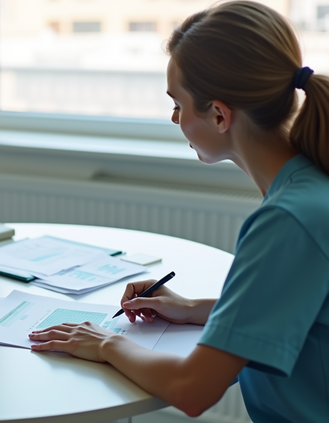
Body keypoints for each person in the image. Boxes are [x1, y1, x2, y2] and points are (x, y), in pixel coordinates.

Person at [28, 2, 329, 422]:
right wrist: (192, 309)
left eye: (177, 103)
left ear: (220, 115)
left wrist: (104, 342)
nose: (174, 118)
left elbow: (193, 390)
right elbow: (300, 307)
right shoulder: (312, 187)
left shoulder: (288, 220)